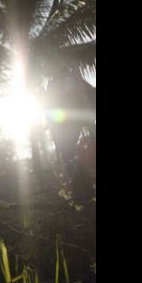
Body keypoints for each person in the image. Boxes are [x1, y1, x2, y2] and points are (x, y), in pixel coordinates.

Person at [45, 64, 96, 199]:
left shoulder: (56, 84)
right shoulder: (63, 82)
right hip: (72, 121)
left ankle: (82, 191)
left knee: (70, 156)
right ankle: (82, 190)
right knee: (70, 157)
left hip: (70, 123)